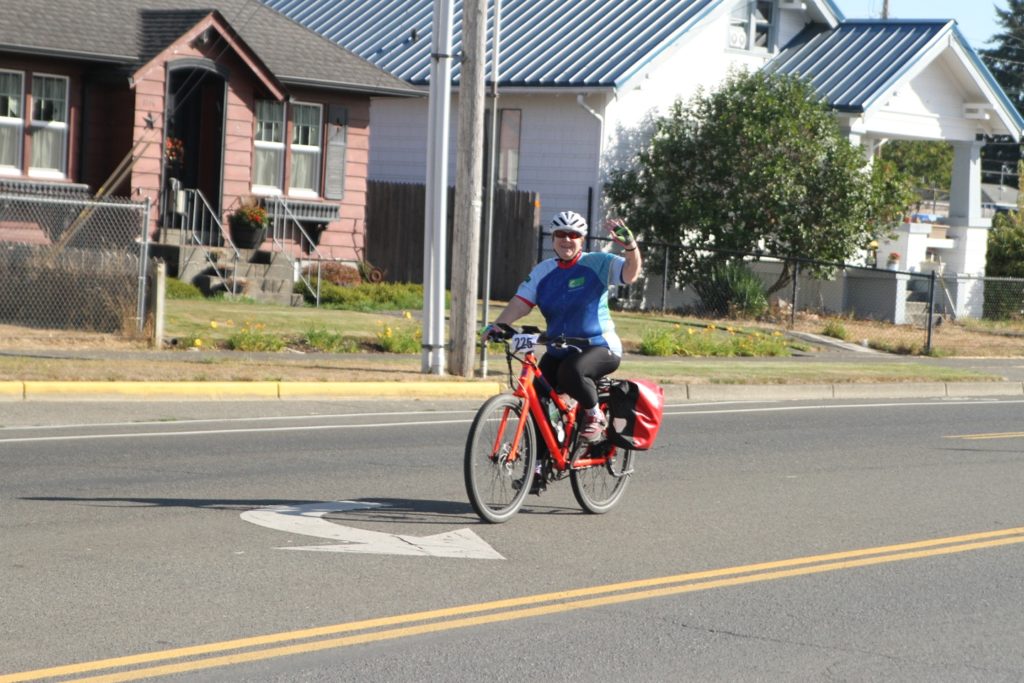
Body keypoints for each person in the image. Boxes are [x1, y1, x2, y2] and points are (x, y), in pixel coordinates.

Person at [482, 210, 642, 443]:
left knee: (570, 371)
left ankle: (594, 414)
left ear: (582, 239)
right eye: (560, 234)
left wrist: (631, 247)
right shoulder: (543, 271)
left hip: (599, 346)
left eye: (573, 234)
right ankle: (538, 468)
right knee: (536, 398)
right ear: (552, 239)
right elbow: (520, 303)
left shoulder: (597, 263)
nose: (567, 239)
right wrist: (498, 325)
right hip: (560, 348)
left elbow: (630, 273)